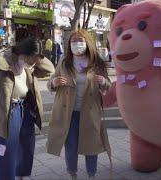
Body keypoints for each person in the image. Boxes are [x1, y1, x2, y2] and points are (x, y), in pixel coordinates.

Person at [0, 37, 55, 180]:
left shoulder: (30, 65)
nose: (32, 64)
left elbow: (50, 70)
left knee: (26, 147)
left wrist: (39, 56)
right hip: (8, 113)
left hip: (26, 109)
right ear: (22, 53)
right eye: (30, 60)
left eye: (34, 62)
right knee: (5, 150)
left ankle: (21, 175)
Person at [46, 29, 112, 180]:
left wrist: (103, 81)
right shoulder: (64, 62)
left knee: (91, 144)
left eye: (80, 41)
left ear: (87, 43)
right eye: (73, 42)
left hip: (90, 112)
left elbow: (108, 85)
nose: (77, 44)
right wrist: (54, 83)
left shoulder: (96, 62)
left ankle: (91, 174)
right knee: (71, 146)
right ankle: (72, 173)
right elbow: (50, 82)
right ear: (69, 45)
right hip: (68, 113)